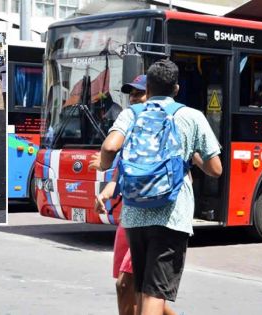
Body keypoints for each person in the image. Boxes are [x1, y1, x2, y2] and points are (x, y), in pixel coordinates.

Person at [95, 60, 222, 315]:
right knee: (155, 294)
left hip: (134, 214)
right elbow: (216, 169)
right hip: (171, 216)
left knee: (142, 288)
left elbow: (110, 147)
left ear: (148, 88)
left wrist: (102, 165)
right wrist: (191, 155)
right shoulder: (191, 116)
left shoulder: (131, 113)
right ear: (176, 88)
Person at [90, 74, 147, 315]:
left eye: (139, 93)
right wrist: (105, 194)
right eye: (131, 93)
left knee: (128, 285)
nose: (133, 98)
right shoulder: (130, 133)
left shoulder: (162, 132)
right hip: (128, 215)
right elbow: (119, 177)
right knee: (131, 289)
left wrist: (103, 162)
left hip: (148, 219)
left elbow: (109, 149)